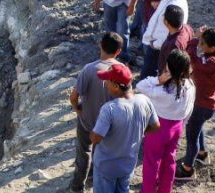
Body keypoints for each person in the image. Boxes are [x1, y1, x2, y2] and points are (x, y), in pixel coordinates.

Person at [90, 63, 160, 193]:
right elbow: (156, 126)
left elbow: (96, 138)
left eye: (108, 81)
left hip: (106, 167)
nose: (105, 84)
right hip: (128, 165)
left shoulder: (109, 109)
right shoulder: (144, 100)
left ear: (116, 86)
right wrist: (136, 132)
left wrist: (92, 131)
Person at [175, 27, 215, 182]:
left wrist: (194, 39)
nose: (200, 46)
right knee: (199, 126)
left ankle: (187, 170)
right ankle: (202, 154)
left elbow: (191, 58)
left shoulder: (209, 64)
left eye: (203, 43)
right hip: (212, 101)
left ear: (213, 48)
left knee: (191, 136)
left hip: (201, 104)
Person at [69, 33, 124, 193]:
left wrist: (76, 108)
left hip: (87, 121)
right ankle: (95, 179)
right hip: (109, 125)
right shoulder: (122, 71)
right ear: (119, 51)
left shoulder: (89, 69)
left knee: (83, 153)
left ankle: (78, 187)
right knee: (102, 153)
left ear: (100, 45)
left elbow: (74, 96)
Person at [136, 49, 195, 193]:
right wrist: (183, 124)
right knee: (169, 161)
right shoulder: (190, 86)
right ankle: (165, 189)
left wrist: (158, 80)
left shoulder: (161, 91)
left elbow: (140, 86)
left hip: (158, 128)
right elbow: (190, 109)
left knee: (151, 163)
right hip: (177, 126)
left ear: (169, 69)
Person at [140, 0, 188, 78]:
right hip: (157, 47)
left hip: (159, 50)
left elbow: (172, 29)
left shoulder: (174, 4)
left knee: (147, 80)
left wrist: (156, 44)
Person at [156, 5, 195, 77]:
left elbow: (171, 68)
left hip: (170, 77)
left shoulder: (174, 44)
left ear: (166, 22)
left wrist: (161, 79)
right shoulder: (187, 28)